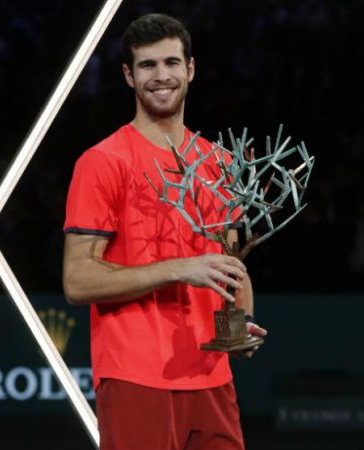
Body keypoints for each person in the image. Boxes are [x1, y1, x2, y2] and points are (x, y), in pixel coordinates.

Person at [62, 13, 267, 450]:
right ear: (128, 76)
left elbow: (231, 265)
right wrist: (178, 269)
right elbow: (78, 281)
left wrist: (243, 323)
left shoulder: (221, 164)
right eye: (148, 66)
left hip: (212, 377)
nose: (161, 76)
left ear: (190, 70)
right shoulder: (103, 162)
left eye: (171, 63)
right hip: (135, 376)